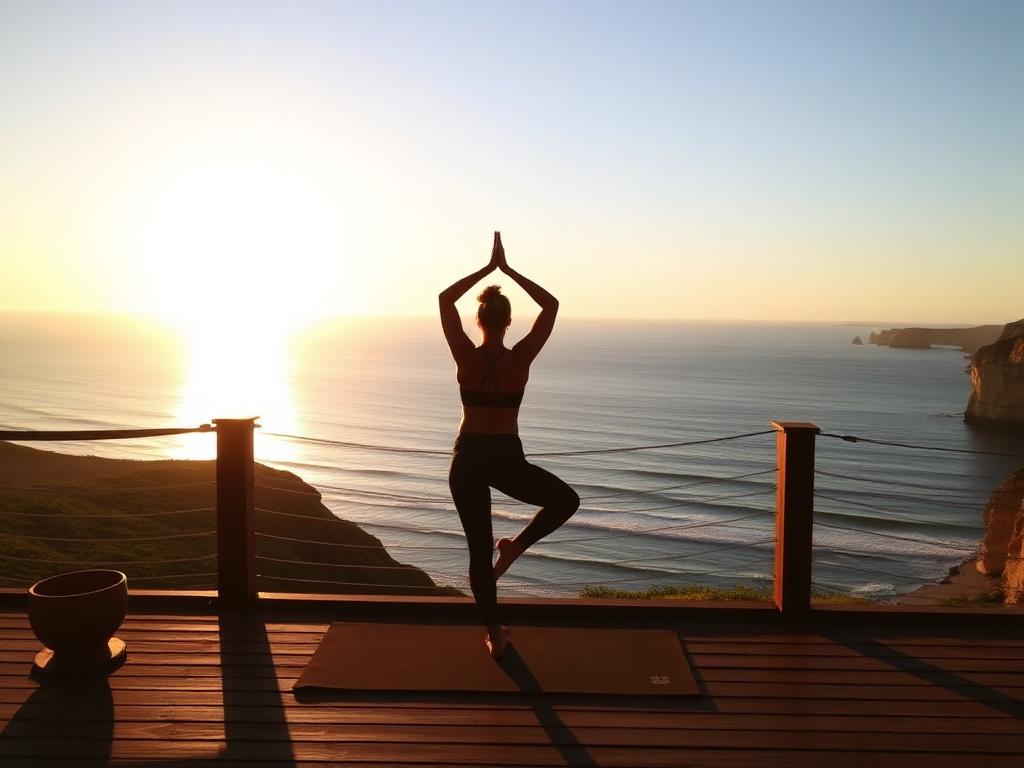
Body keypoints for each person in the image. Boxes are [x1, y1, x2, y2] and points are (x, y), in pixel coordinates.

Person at [439, 231, 580, 659]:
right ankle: (517, 544)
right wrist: (509, 270)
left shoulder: (465, 357)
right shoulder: (520, 360)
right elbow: (551, 306)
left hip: (467, 459)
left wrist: (487, 269)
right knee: (565, 501)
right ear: (508, 322)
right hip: (505, 458)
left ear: (479, 321)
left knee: (477, 552)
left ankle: (494, 633)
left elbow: (445, 301)